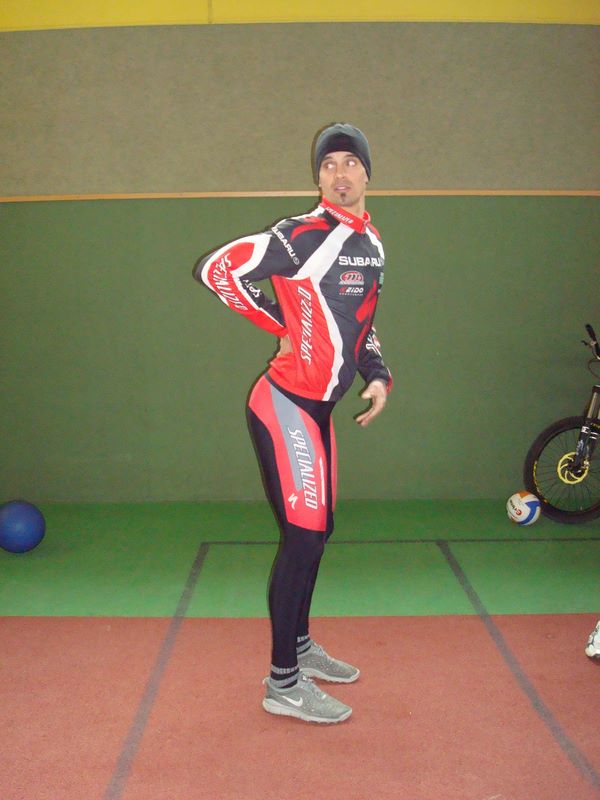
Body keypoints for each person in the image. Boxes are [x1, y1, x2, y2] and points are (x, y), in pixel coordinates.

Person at [193, 123, 392, 724]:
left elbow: (362, 323)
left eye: (350, 162)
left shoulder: (371, 242)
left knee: (319, 531)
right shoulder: (302, 234)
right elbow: (217, 269)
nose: (340, 173)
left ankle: (301, 647)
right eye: (329, 164)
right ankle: (283, 683)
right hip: (284, 404)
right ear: (318, 177)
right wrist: (276, 323)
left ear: (367, 173)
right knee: (302, 538)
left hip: (320, 410)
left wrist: (377, 375)